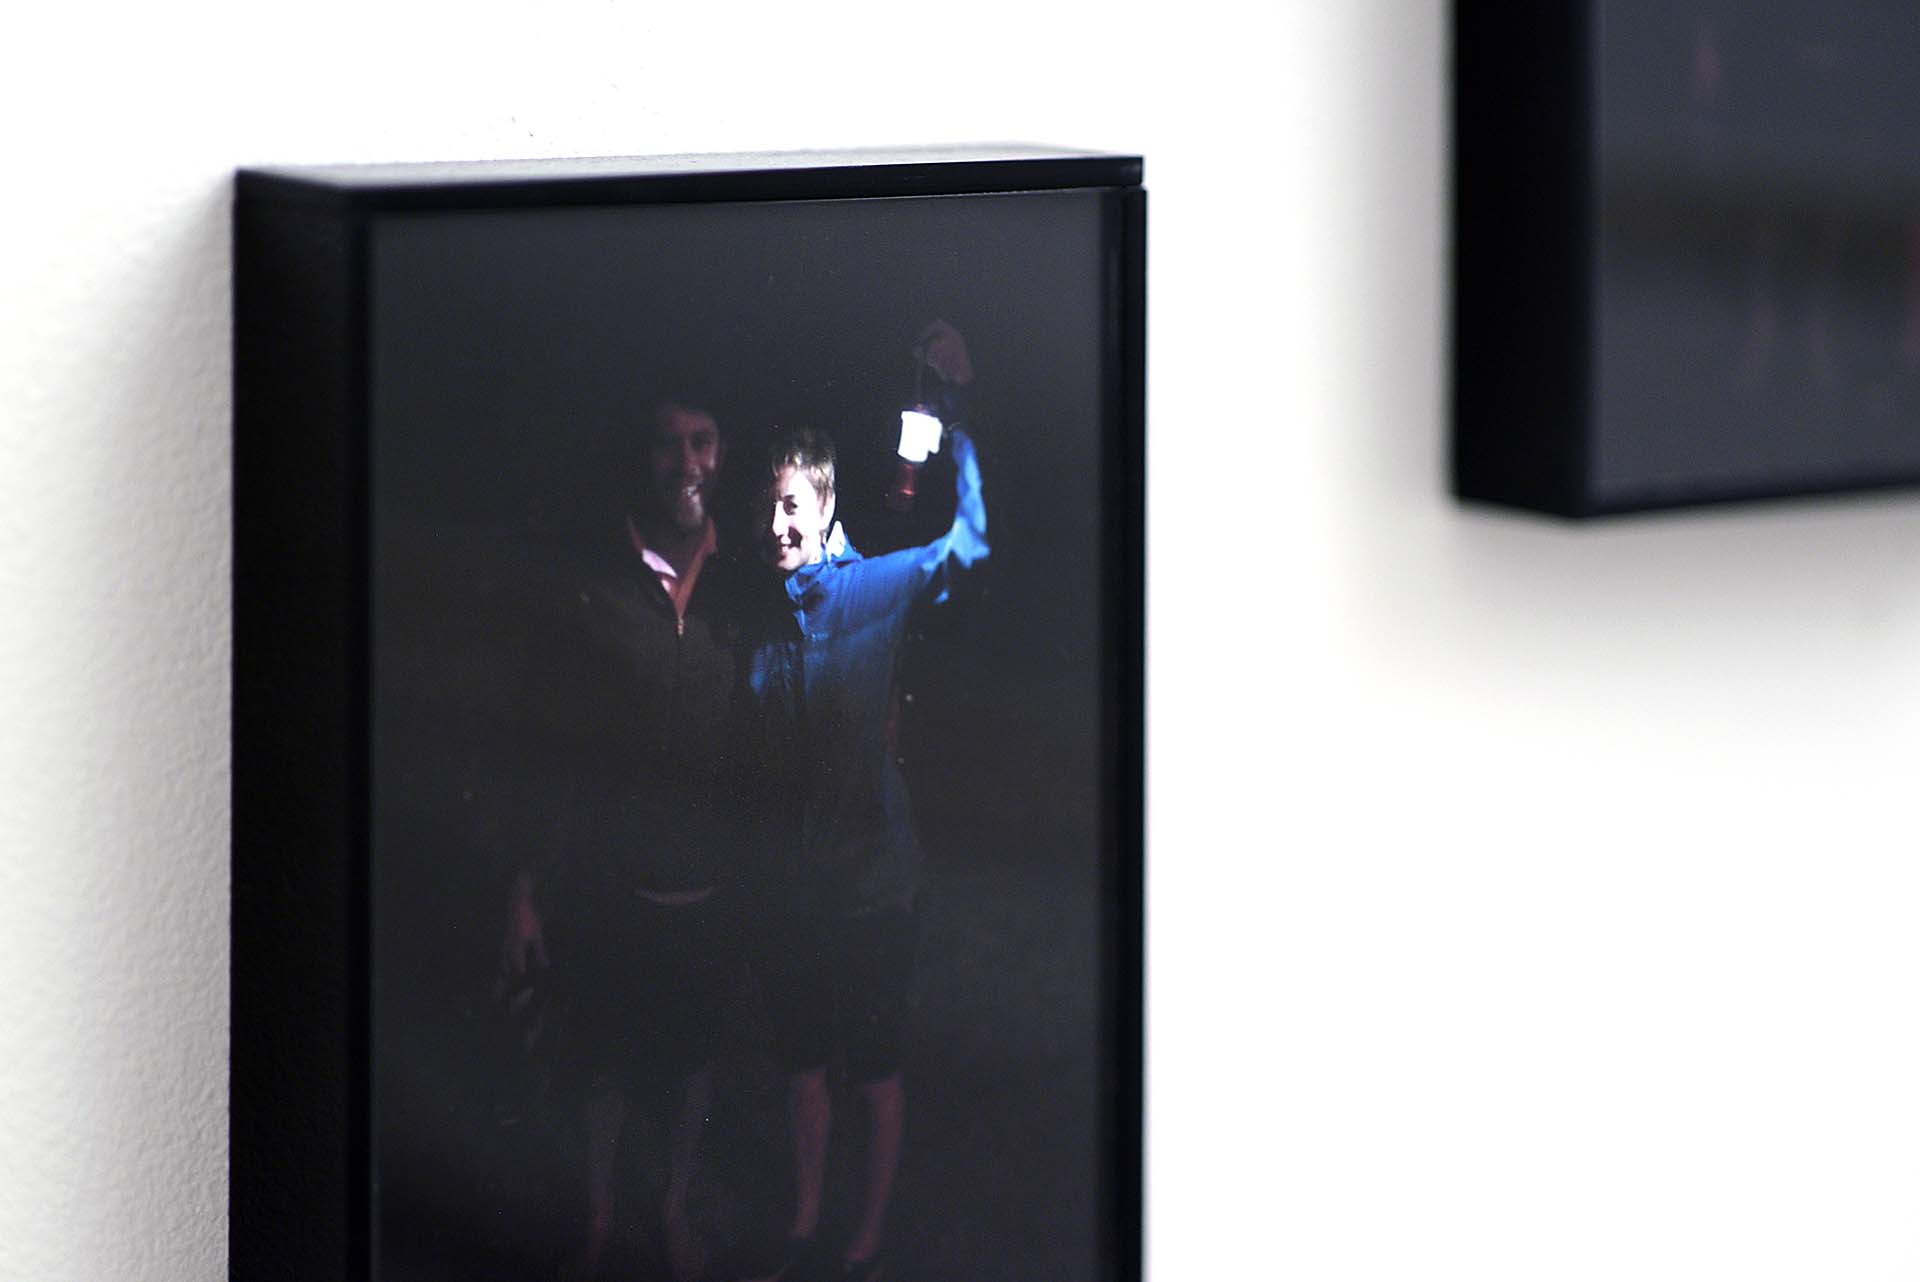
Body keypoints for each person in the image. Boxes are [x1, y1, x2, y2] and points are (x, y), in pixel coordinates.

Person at [737, 320, 987, 1282]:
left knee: (875, 1072)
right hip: (796, 897)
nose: (777, 525)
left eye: (792, 506)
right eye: (766, 506)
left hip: (877, 893)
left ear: (826, 503)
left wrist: (958, 425)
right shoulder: (759, 621)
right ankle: (805, 1225)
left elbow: (967, 547)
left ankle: (867, 1238)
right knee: (804, 1064)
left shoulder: (872, 591)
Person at [501, 389, 751, 1282]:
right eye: (668, 445)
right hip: (608, 885)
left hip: (711, 887)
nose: (687, 462)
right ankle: (600, 1216)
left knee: (691, 1066)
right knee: (600, 1066)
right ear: (642, 459)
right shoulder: (595, 584)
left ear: (723, 454)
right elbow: (548, 745)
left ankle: (673, 1208)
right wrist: (525, 889)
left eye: (703, 441)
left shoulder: (748, 581)